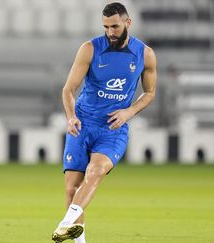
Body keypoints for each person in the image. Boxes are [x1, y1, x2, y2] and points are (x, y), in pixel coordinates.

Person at [52, 2, 157, 243]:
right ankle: (78, 239)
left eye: (115, 26)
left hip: (113, 129)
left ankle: (65, 224)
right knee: (71, 189)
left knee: (96, 170)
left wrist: (129, 112)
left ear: (128, 23)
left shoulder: (145, 54)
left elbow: (150, 92)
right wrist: (71, 117)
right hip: (82, 125)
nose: (110, 32)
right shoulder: (89, 49)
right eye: (106, 27)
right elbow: (68, 89)